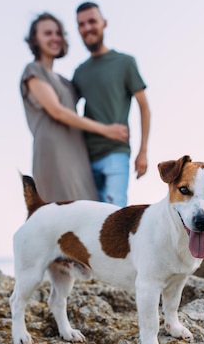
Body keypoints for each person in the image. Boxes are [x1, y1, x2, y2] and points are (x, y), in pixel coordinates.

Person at [20, 12, 129, 202]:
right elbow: (57, 112)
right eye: (47, 33)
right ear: (35, 39)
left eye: (58, 33)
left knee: (87, 215)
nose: (55, 38)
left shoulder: (66, 82)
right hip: (53, 153)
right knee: (58, 216)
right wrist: (106, 130)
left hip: (78, 156)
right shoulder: (33, 71)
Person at [72, 2, 151, 207]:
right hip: (84, 157)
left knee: (115, 214)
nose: (87, 27)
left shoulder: (124, 63)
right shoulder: (80, 73)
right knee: (90, 220)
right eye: (81, 24)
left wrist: (142, 152)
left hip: (116, 153)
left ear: (104, 23)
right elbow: (67, 113)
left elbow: (144, 106)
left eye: (92, 21)